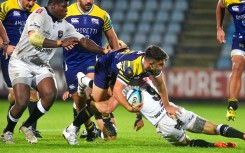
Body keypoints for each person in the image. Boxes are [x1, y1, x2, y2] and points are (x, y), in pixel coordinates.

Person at [1, 0, 109, 144]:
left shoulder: (65, 25)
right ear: (53, 6)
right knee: (21, 102)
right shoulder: (39, 14)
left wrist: (103, 51)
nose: (67, 10)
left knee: (50, 95)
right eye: (64, 6)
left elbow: (83, 40)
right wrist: (59, 43)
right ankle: (8, 131)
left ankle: (27, 125)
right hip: (21, 62)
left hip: (41, 64)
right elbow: (33, 38)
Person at [63, 45, 180, 145]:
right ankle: (84, 81)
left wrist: (167, 106)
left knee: (107, 107)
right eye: (161, 64)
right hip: (105, 66)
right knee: (97, 102)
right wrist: (129, 108)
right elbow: (117, 92)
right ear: (150, 64)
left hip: (118, 71)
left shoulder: (153, 64)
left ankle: (71, 128)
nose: (163, 67)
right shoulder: (131, 66)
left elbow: (161, 86)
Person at [124, 78, 245, 148]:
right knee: (215, 128)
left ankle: (214, 146)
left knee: (187, 144)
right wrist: (139, 116)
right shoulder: (144, 75)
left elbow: (137, 102)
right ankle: (242, 135)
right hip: (175, 110)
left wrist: (136, 115)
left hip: (163, 123)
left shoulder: (121, 85)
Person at [62, 0, 119, 141]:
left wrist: (117, 58)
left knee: (94, 91)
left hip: (93, 59)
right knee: (78, 100)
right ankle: (89, 129)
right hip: (72, 62)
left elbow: (112, 37)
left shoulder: (102, 15)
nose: (89, 1)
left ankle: (104, 121)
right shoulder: (66, 12)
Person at [0, 0, 43, 138]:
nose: (31, 3)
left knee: (33, 94)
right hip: (10, 57)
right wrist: (5, 46)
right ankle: (8, 130)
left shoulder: (39, 10)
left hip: (29, 58)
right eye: (28, 0)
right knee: (15, 96)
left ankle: (31, 128)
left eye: (34, 0)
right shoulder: (7, 6)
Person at [216, 0, 245, 121]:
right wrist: (219, 28)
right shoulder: (228, 0)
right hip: (240, 38)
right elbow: (220, 6)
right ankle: (232, 106)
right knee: (237, 65)